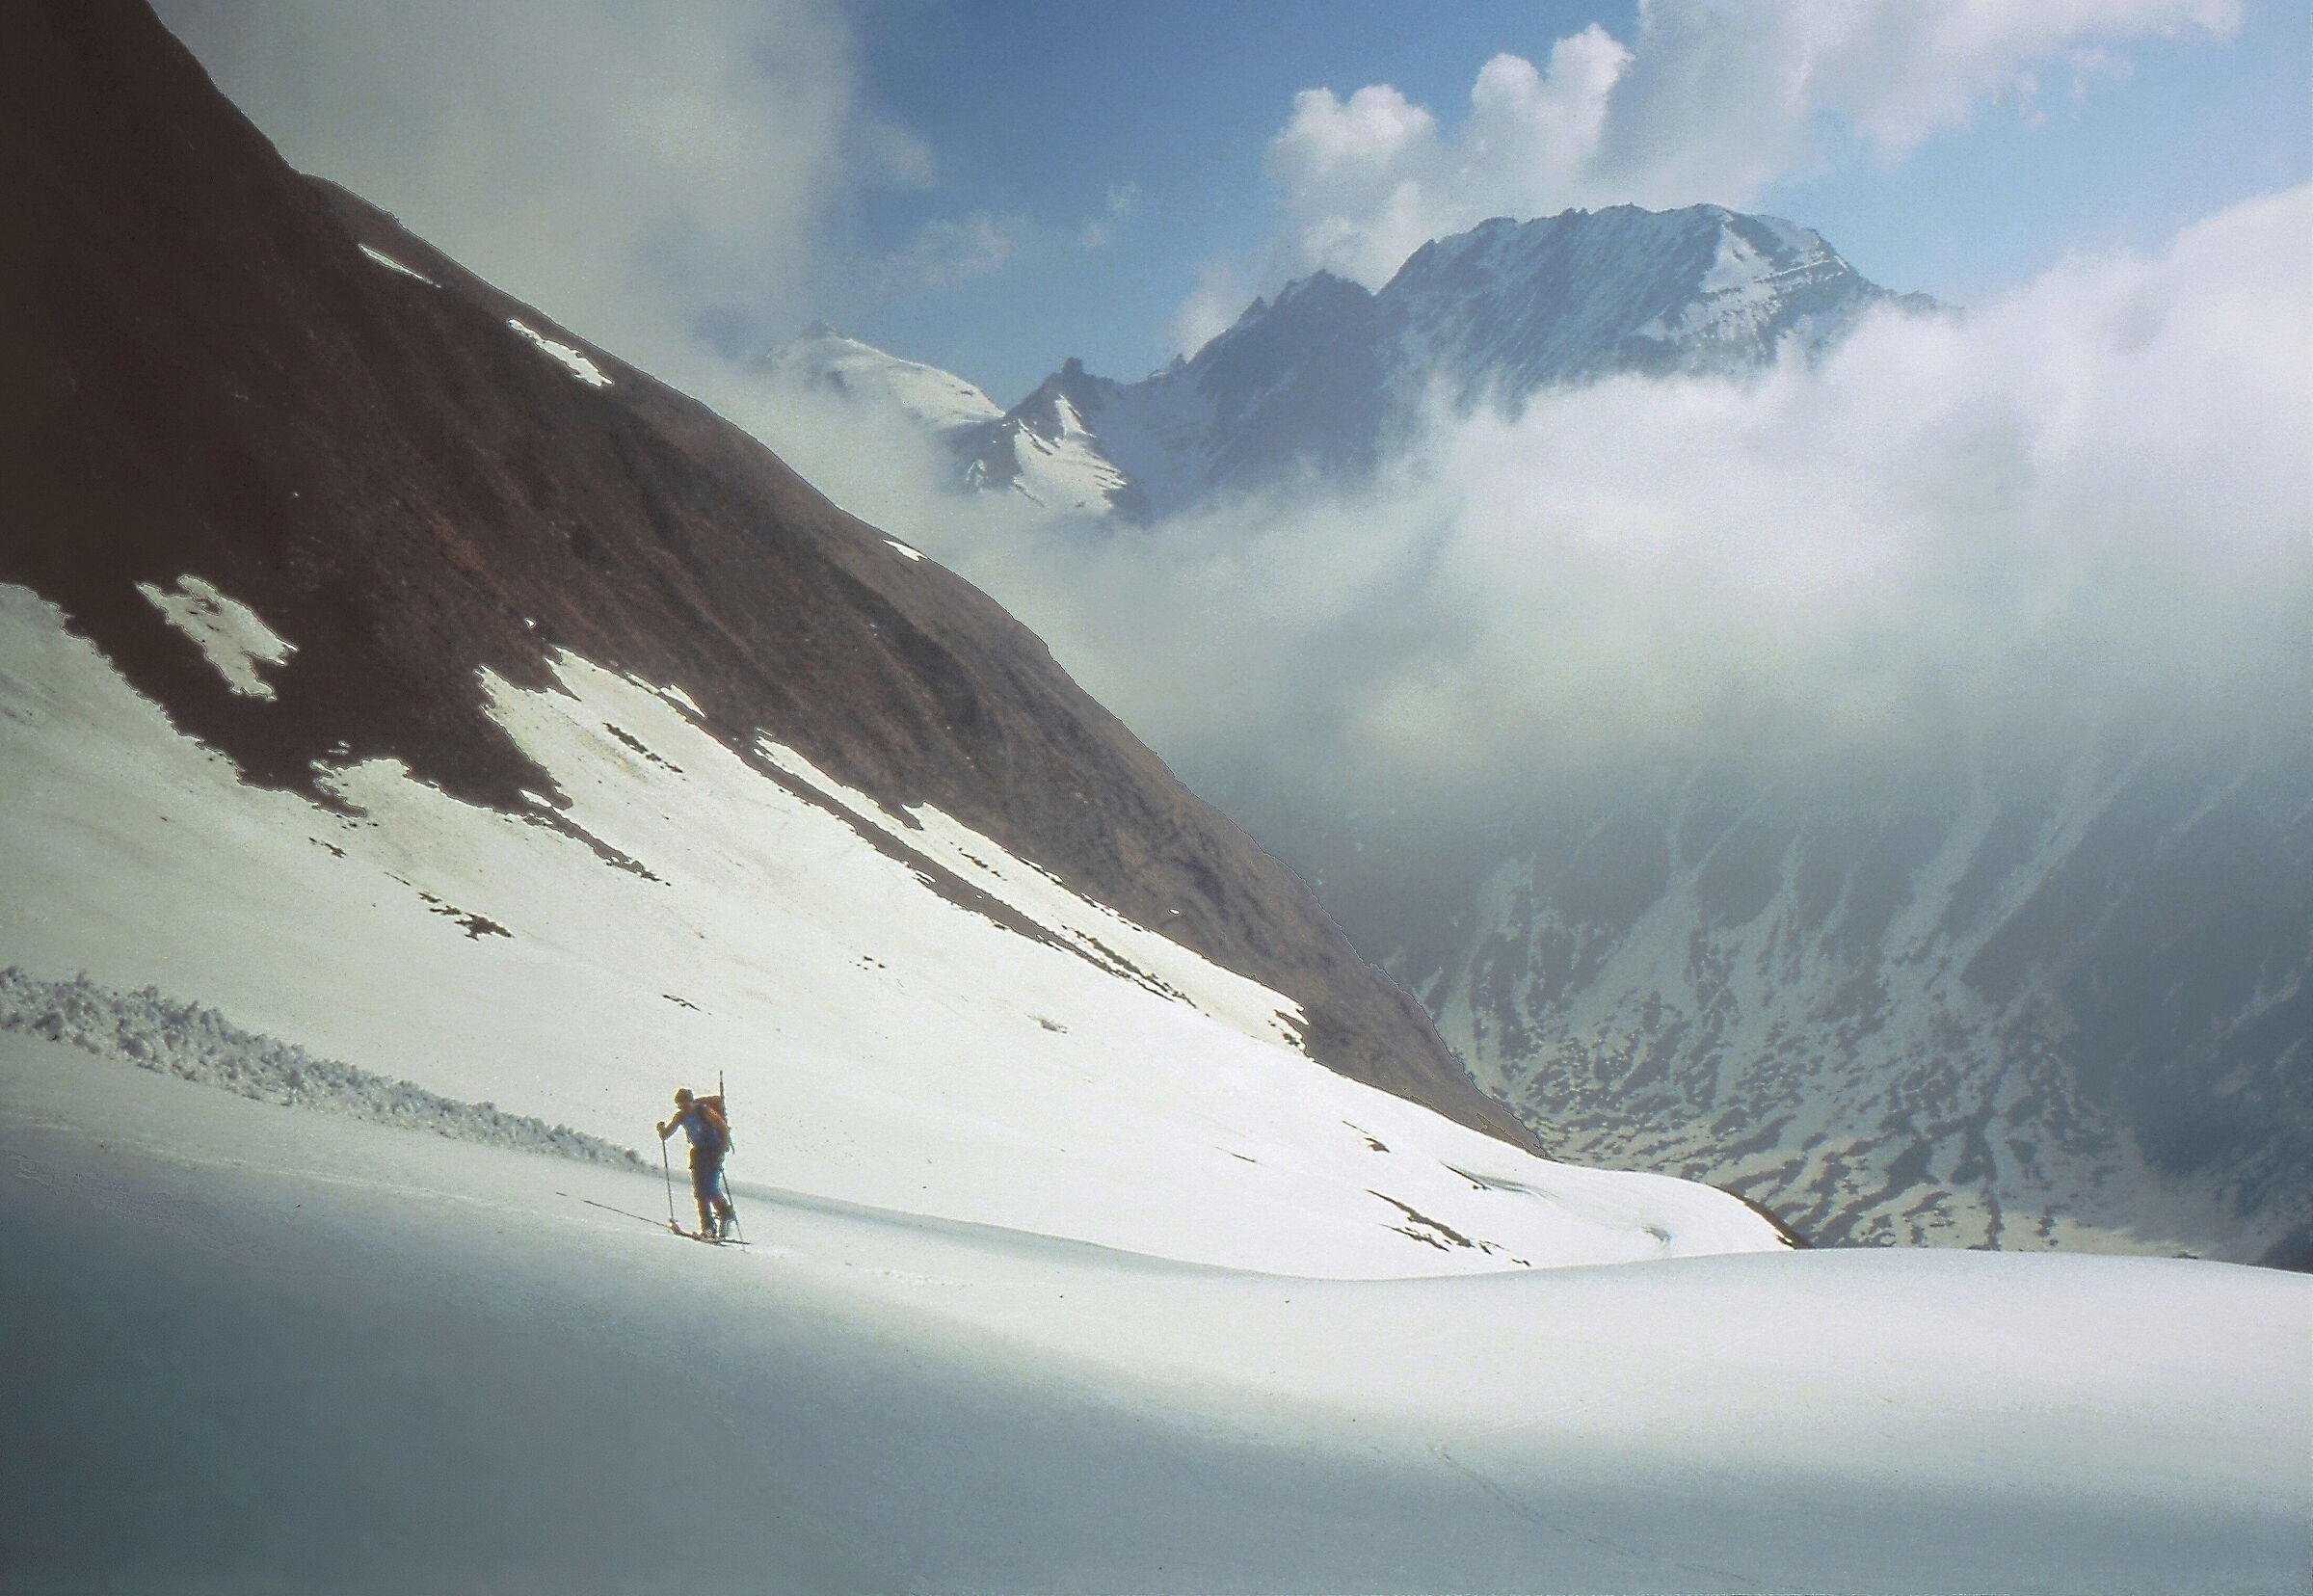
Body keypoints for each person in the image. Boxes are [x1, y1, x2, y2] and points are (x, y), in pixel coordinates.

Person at [657, 1086, 735, 1238]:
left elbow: (723, 1129)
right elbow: (666, 1134)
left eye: (685, 1105)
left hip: (713, 1151)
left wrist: (721, 1151)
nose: (684, 1109)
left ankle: (725, 1213)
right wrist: (662, 1130)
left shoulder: (705, 1112)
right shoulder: (681, 1116)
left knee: (710, 1188)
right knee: (700, 1191)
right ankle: (708, 1228)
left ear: (691, 1102)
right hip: (699, 1153)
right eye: (680, 1106)